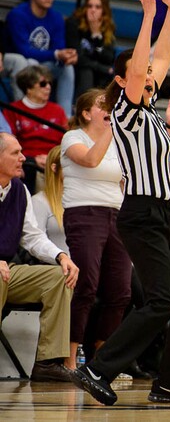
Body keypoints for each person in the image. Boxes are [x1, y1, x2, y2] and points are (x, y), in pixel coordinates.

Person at [70, 0, 170, 406]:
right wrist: (148, 15)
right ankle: (97, 367)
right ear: (124, 79)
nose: (150, 73)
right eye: (140, 71)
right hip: (140, 215)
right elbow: (142, 61)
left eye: (150, 72)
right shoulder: (126, 111)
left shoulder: (151, 110)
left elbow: (161, 56)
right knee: (162, 302)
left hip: (163, 215)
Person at [60, 89, 132, 371]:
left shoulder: (117, 142)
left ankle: (101, 359)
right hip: (84, 214)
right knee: (86, 285)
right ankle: (69, 358)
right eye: (103, 105)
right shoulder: (72, 138)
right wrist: (112, 128)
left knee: (121, 290)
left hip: (117, 215)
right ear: (86, 113)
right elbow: (90, 160)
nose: (109, 108)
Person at [0, 132, 79, 382]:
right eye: (15, 153)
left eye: (22, 152)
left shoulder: (20, 191)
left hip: (8, 269)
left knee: (59, 276)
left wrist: (61, 256)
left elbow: (32, 236)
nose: (23, 158)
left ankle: (48, 361)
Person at [4, 0, 76, 116]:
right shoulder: (17, 15)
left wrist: (67, 56)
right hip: (18, 64)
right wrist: (56, 54)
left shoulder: (56, 17)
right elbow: (23, 50)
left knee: (68, 67)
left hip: (42, 65)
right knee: (27, 61)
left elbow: (59, 47)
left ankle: (65, 120)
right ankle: (24, 114)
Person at [3, 65, 68, 193]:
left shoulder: (58, 110)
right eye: (43, 84)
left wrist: (52, 158)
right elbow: (9, 143)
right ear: (28, 88)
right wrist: (31, 159)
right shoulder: (12, 110)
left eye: (50, 83)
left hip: (54, 160)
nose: (48, 87)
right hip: (27, 161)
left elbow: (65, 142)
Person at [65, 0, 117, 98]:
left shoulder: (107, 29)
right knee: (87, 71)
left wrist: (96, 33)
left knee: (111, 77)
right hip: (76, 69)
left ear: (104, 11)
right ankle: (84, 107)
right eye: (89, 6)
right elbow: (77, 57)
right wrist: (103, 68)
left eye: (97, 7)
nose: (93, 10)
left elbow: (108, 58)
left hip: (97, 72)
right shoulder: (74, 24)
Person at [31, 145, 68, 253]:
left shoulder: (84, 200)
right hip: (58, 266)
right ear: (55, 168)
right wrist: (61, 258)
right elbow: (34, 242)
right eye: (70, 165)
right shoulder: (39, 201)